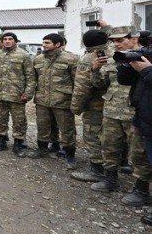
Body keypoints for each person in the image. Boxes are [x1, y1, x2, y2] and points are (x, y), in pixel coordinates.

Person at [90, 26, 152, 206]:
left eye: (120, 40)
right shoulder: (111, 60)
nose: (116, 44)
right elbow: (100, 85)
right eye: (113, 41)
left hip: (136, 113)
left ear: (134, 39)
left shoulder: (146, 58)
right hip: (112, 111)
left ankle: (141, 189)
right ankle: (111, 180)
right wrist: (95, 70)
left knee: (139, 153)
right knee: (108, 145)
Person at [27, 34, 79, 169]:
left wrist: (76, 100)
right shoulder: (38, 59)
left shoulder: (71, 59)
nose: (44, 45)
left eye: (47, 43)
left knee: (67, 128)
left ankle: (70, 155)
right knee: (43, 125)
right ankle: (43, 148)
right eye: (43, 42)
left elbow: (77, 81)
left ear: (57, 44)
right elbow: (33, 79)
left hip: (62, 100)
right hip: (42, 100)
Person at [0, 32, 36, 156]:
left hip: (16, 95)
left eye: (10, 39)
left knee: (19, 121)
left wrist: (28, 94)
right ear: (2, 41)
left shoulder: (23, 55)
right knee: (1, 119)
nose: (7, 41)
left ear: (15, 41)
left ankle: (18, 144)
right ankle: (1, 142)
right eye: (5, 39)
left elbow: (30, 76)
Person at [70, 29, 109, 182]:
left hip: (95, 105)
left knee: (92, 135)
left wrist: (76, 107)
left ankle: (97, 170)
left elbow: (82, 86)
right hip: (114, 105)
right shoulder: (114, 53)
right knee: (113, 136)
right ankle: (120, 164)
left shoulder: (88, 58)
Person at [118, 50, 152, 225]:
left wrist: (147, 71)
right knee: (140, 155)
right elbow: (124, 81)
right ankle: (141, 190)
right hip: (143, 114)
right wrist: (126, 65)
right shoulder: (143, 58)